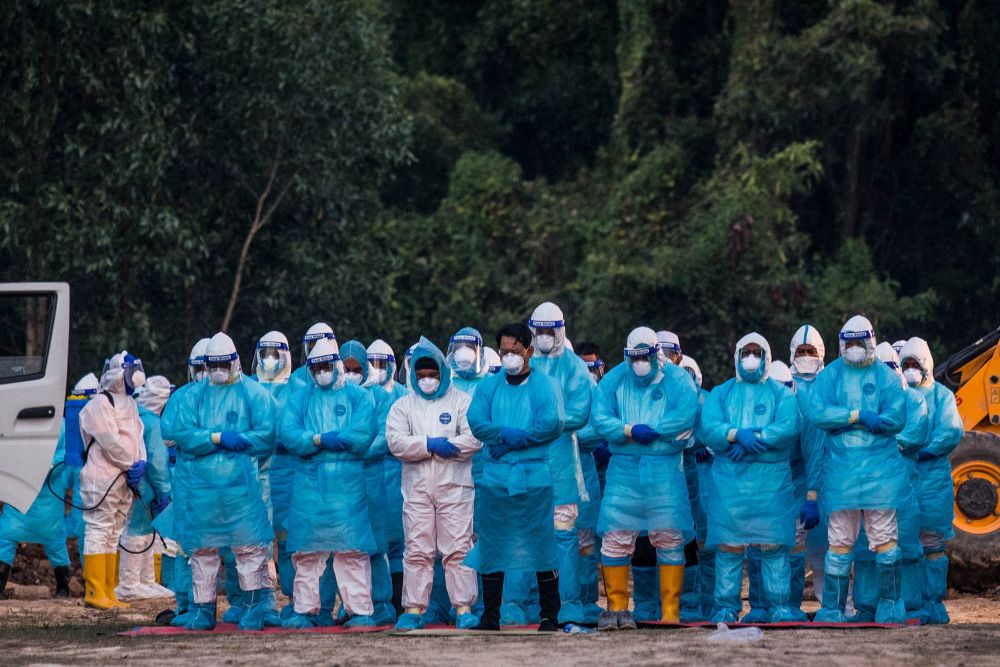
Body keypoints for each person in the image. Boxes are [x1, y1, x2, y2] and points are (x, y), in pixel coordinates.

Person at [591, 327, 700, 630]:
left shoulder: (678, 380)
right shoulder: (614, 379)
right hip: (623, 473)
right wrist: (630, 431)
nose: (639, 363)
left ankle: (670, 611)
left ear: (656, 353)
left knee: (669, 538)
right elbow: (600, 418)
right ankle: (616, 609)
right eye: (633, 357)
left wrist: (644, 434)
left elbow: (684, 419)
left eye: (645, 357)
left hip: (665, 474)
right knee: (615, 538)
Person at [170, 332, 277, 631]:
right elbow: (181, 434)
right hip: (203, 491)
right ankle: (203, 611)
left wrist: (238, 440)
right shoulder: (193, 396)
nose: (217, 369)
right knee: (203, 551)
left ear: (234, 362)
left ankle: (253, 607)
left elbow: (267, 435)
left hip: (241, 488)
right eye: (212, 364)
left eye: (222, 363)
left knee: (248, 549)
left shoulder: (252, 394)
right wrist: (217, 438)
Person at [808, 315, 908, 624]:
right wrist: (857, 415)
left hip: (880, 475)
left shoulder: (887, 378)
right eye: (847, 343)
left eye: (858, 342)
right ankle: (833, 610)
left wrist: (867, 420)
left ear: (870, 342)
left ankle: (891, 605)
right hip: (842, 474)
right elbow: (818, 413)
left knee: (886, 542)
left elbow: (896, 418)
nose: (853, 348)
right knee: (839, 543)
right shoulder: (829, 376)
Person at [467, 322, 565, 632]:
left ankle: (549, 615)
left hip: (533, 477)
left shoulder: (545, 386)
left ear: (529, 351)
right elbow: (477, 422)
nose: (508, 356)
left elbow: (551, 424)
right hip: (496, 480)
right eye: (503, 351)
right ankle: (490, 616)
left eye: (514, 351)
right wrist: (503, 433)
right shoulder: (488, 386)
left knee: (539, 543)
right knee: (493, 543)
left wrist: (510, 440)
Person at [699, 333, 801, 624]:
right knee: (729, 549)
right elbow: (709, 426)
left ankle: (780, 608)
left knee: (773, 548)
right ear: (737, 355)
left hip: (771, 486)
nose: (751, 357)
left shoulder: (781, 394)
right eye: (746, 352)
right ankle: (727, 608)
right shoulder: (722, 392)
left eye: (757, 352)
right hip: (729, 487)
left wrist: (752, 438)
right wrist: (735, 435)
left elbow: (788, 426)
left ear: (767, 356)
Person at [278, 338, 378, 628]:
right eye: (316, 367)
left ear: (336, 364)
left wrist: (312, 440)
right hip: (309, 489)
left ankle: (359, 611)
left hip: (347, 489)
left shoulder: (359, 397)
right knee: (306, 552)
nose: (321, 371)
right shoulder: (300, 396)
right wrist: (321, 439)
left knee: (351, 551)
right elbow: (289, 433)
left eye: (326, 366)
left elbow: (360, 437)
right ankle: (304, 610)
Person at [387, 337, 482, 630]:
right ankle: (413, 609)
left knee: (458, 548)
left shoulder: (461, 401)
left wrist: (451, 445)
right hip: (416, 490)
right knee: (417, 549)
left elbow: (475, 437)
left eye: (432, 374)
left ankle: (464, 608)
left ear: (442, 372)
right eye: (421, 374)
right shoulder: (403, 405)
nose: (427, 380)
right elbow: (395, 441)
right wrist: (428, 444)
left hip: (455, 488)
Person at [0, 375, 97, 599]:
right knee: (56, 545)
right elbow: (71, 466)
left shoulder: (18, 424)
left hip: (20, 506)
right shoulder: (62, 427)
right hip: (50, 510)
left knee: (4, 538)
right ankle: (63, 589)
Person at [850, 343, 928, 623]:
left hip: (901, 488)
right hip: (867, 487)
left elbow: (913, 436)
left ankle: (910, 606)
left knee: (905, 548)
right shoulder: (865, 401)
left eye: (891, 366)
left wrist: (880, 441)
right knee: (865, 551)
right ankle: (868, 607)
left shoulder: (914, 401)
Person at [526, 302, 592, 625]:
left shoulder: (574, 367)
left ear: (561, 330)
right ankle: (518, 605)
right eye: (539, 331)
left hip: (563, 464)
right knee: (525, 535)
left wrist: (549, 422)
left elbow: (580, 412)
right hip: (526, 463)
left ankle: (568, 603)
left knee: (564, 537)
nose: (545, 337)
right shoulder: (522, 365)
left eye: (550, 331)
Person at [899, 337, 964, 624]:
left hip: (933, 480)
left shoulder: (941, 396)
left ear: (926, 366)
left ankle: (933, 602)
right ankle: (912, 604)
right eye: (906, 364)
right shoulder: (898, 396)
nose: (911, 369)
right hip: (903, 479)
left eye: (915, 364)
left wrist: (927, 450)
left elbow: (951, 430)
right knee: (907, 546)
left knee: (933, 545)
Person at [78, 351, 147, 609]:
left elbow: (137, 436)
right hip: (102, 479)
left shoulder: (130, 403)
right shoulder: (99, 403)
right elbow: (109, 440)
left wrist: (142, 462)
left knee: (114, 532)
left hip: (122, 480)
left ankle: (108, 591)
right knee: (98, 529)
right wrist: (131, 464)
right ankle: (95, 592)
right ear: (119, 373)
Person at [342, 340, 396, 626]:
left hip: (371, 478)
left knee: (374, 546)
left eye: (356, 368)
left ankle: (381, 604)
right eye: (346, 368)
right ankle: (353, 606)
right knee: (347, 547)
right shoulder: (334, 396)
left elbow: (385, 437)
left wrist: (353, 449)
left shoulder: (380, 397)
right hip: (342, 480)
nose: (351, 373)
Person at [157, 337, 210, 626]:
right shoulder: (181, 398)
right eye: (199, 367)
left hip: (219, 485)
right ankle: (187, 605)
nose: (204, 372)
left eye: (208, 366)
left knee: (222, 549)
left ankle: (216, 605)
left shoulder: (228, 396)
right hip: (189, 484)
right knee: (185, 547)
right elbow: (168, 435)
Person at [248, 331, 296, 620]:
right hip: (257, 471)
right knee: (257, 539)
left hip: (289, 471)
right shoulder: (248, 388)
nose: (269, 359)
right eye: (264, 352)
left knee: (291, 538)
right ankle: (259, 601)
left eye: (275, 353)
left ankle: (295, 598)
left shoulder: (297, 388)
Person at [116, 376, 174, 601]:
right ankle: (130, 584)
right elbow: (158, 463)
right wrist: (164, 492)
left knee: (147, 531)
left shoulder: (136, 416)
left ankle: (145, 582)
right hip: (146, 485)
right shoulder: (153, 423)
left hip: (133, 482)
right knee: (138, 531)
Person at [367, 338, 410, 613]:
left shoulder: (404, 395)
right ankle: (371, 602)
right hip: (368, 477)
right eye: (372, 364)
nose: (377, 369)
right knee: (371, 544)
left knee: (398, 543)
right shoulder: (360, 394)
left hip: (398, 478)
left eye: (383, 364)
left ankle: (397, 601)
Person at [787, 324, 829, 608]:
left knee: (832, 546)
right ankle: (787, 605)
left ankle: (837, 605)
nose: (805, 356)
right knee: (793, 544)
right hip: (794, 480)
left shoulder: (831, 384)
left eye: (810, 351)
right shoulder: (783, 384)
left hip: (833, 478)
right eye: (800, 351)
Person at [572, 341, 607, 624]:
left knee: (585, 543)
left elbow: (599, 427)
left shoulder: (592, 389)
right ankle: (551, 601)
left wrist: (569, 437)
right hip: (547, 473)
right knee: (550, 540)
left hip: (583, 472)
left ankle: (586, 600)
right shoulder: (541, 384)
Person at [680, 355, 716, 619]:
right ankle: (682, 604)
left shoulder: (708, 399)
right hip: (675, 476)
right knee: (678, 543)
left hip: (706, 478)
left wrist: (709, 447)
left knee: (706, 544)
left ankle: (710, 605)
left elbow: (718, 429)